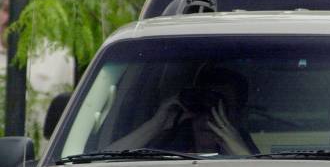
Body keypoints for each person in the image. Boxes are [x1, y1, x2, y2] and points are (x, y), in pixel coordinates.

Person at [108, 67, 258, 155]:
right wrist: (156, 125)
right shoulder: (164, 156)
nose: (209, 116)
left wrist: (239, 152)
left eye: (221, 107)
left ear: (238, 116)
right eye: (203, 104)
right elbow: (100, 166)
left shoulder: (250, 158)